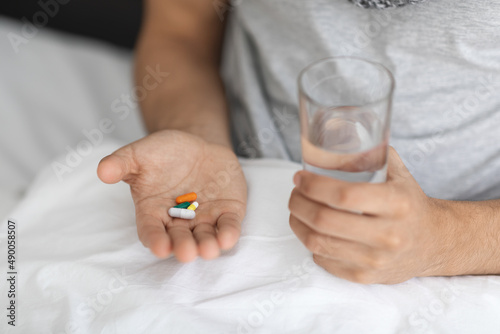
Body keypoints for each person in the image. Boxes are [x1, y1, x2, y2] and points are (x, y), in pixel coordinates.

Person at [97, 0, 500, 284]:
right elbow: (178, 30)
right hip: (239, 203)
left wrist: (443, 239)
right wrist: (196, 135)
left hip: (470, 253)